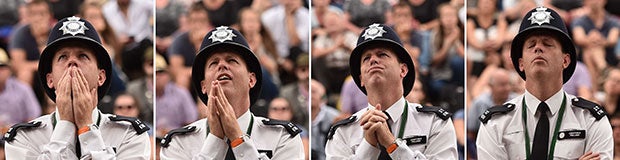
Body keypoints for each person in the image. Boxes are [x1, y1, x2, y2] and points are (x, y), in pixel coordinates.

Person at [3, 16, 150, 159]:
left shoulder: (130, 134)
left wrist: (87, 127)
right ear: (50, 79)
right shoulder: (23, 138)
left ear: (101, 77)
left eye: (83, 56)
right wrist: (65, 125)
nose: (72, 62)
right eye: (63, 57)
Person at [476, 7, 613, 159]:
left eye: (547, 44)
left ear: (565, 60)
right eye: (531, 45)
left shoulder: (591, 120)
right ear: (521, 63)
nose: (538, 48)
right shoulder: (496, 123)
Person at [160, 26, 304, 159]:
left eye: (232, 60)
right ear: (203, 86)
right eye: (214, 63)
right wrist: (215, 139)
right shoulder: (179, 143)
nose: (222, 65)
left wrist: (238, 139)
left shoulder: (282, 137)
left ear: (251, 79)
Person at [325, 23, 458, 159]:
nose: (373, 60)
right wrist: (368, 146)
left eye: (382, 54)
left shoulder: (434, 122)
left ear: (403, 70)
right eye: (366, 58)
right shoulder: (342, 132)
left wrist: (392, 145)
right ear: (361, 79)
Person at [0, 48, 41, 132]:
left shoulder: (23, 89)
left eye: (2, 67)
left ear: (9, 69)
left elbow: (34, 118)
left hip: (18, 137)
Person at [310, 79, 341, 160]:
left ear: (322, 96)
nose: (310, 95)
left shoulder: (334, 116)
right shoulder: (301, 115)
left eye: (313, 92)